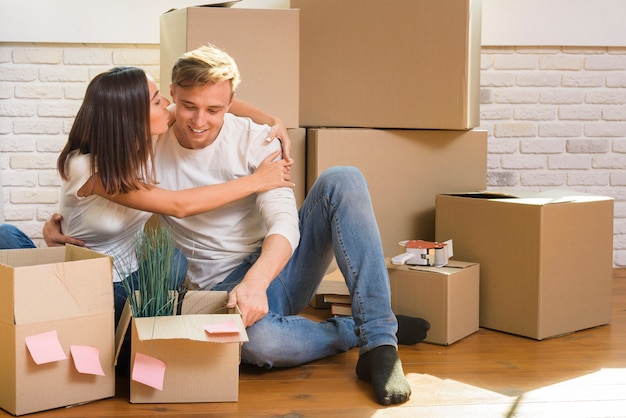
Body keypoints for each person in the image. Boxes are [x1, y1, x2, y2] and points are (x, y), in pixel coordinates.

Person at [46, 45, 430, 406]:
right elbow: (175, 205)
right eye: (185, 105)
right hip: (217, 288)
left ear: (230, 105)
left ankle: (380, 341)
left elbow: (283, 220)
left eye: (214, 109)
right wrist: (57, 232)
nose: (199, 121)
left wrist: (258, 280)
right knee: (256, 344)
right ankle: (348, 329)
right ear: (174, 98)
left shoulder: (254, 139)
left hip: (275, 272)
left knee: (343, 178)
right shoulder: (146, 146)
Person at [52, 66, 294, 330]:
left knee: (173, 261)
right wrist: (255, 181)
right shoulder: (91, 170)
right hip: (98, 282)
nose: (167, 105)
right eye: (157, 101)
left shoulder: (139, 145)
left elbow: (210, 102)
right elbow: (179, 205)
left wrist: (272, 121)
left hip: (132, 272)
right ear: (131, 117)